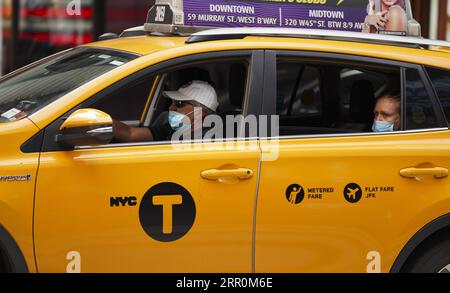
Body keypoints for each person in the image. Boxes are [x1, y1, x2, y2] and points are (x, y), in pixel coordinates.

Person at [113, 80, 219, 142]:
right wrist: (100, 122)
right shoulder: (173, 129)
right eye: (172, 102)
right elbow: (130, 133)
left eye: (179, 104)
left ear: (200, 112)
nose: (171, 107)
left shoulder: (211, 141)